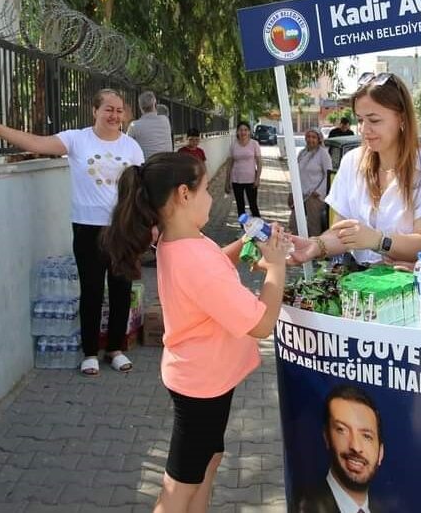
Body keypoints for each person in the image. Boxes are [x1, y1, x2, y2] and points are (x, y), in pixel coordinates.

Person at [101, 153, 288, 513]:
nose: (213, 198)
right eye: (205, 190)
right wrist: (275, 267)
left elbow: (214, 260)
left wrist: (246, 245)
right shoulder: (193, 257)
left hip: (209, 379)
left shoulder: (182, 241)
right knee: (177, 490)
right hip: (200, 385)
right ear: (183, 194)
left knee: (208, 462)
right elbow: (262, 323)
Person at [0, 89, 144, 376]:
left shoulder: (132, 148)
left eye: (119, 110)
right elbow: (36, 142)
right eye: (108, 109)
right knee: (91, 290)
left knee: (120, 289)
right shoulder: (77, 140)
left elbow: (141, 192)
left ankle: (115, 348)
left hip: (122, 229)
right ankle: (90, 352)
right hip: (87, 228)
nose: (115, 115)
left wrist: (147, 226)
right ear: (95, 111)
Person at [289, 73, 421, 266]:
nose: (364, 129)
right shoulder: (351, 161)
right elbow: (341, 232)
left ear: (401, 118)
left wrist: (377, 240)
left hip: (408, 286)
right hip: (358, 281)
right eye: (360, 120)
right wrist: (315, 246)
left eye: (374, 120)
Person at [294, 384, 385, 513]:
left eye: (366, 436)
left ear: (380, 453)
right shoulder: (303, 506)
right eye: (342, 430)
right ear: (327, 437)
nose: (355, 446)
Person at [288, 128, 333, 237]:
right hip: (300, 195)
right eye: (308, 137)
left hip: (314, 196)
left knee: (313, 226)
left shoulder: (323, 154)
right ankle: (297, 248)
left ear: (319, 139)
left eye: (313, 137)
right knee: (294, 223)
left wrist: (319, 191)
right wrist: (292, 192)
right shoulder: (302, 153)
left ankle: (315, 251)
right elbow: (296, 174)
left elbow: (328, 174)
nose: (310, 140)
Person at [225, 121, 262, 218]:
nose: (243, 132)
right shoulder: (233, 145)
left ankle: (259, 230)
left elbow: (259, 162)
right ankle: (244, 229)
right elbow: (229, 164)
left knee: (253, 205)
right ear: (237, 132)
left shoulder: (254, 144)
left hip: (251, 180)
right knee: (240, 207)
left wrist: (257, 178)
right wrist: (227, 181)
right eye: (241, 130)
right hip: (236, 180)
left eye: (245, 130)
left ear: (249, 132)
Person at [128, 90, 174, 159]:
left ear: (140, 107)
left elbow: (126, 145)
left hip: (147, 167)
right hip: (167, 164)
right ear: (155, 104)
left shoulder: (134, 125)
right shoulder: (165, 120)